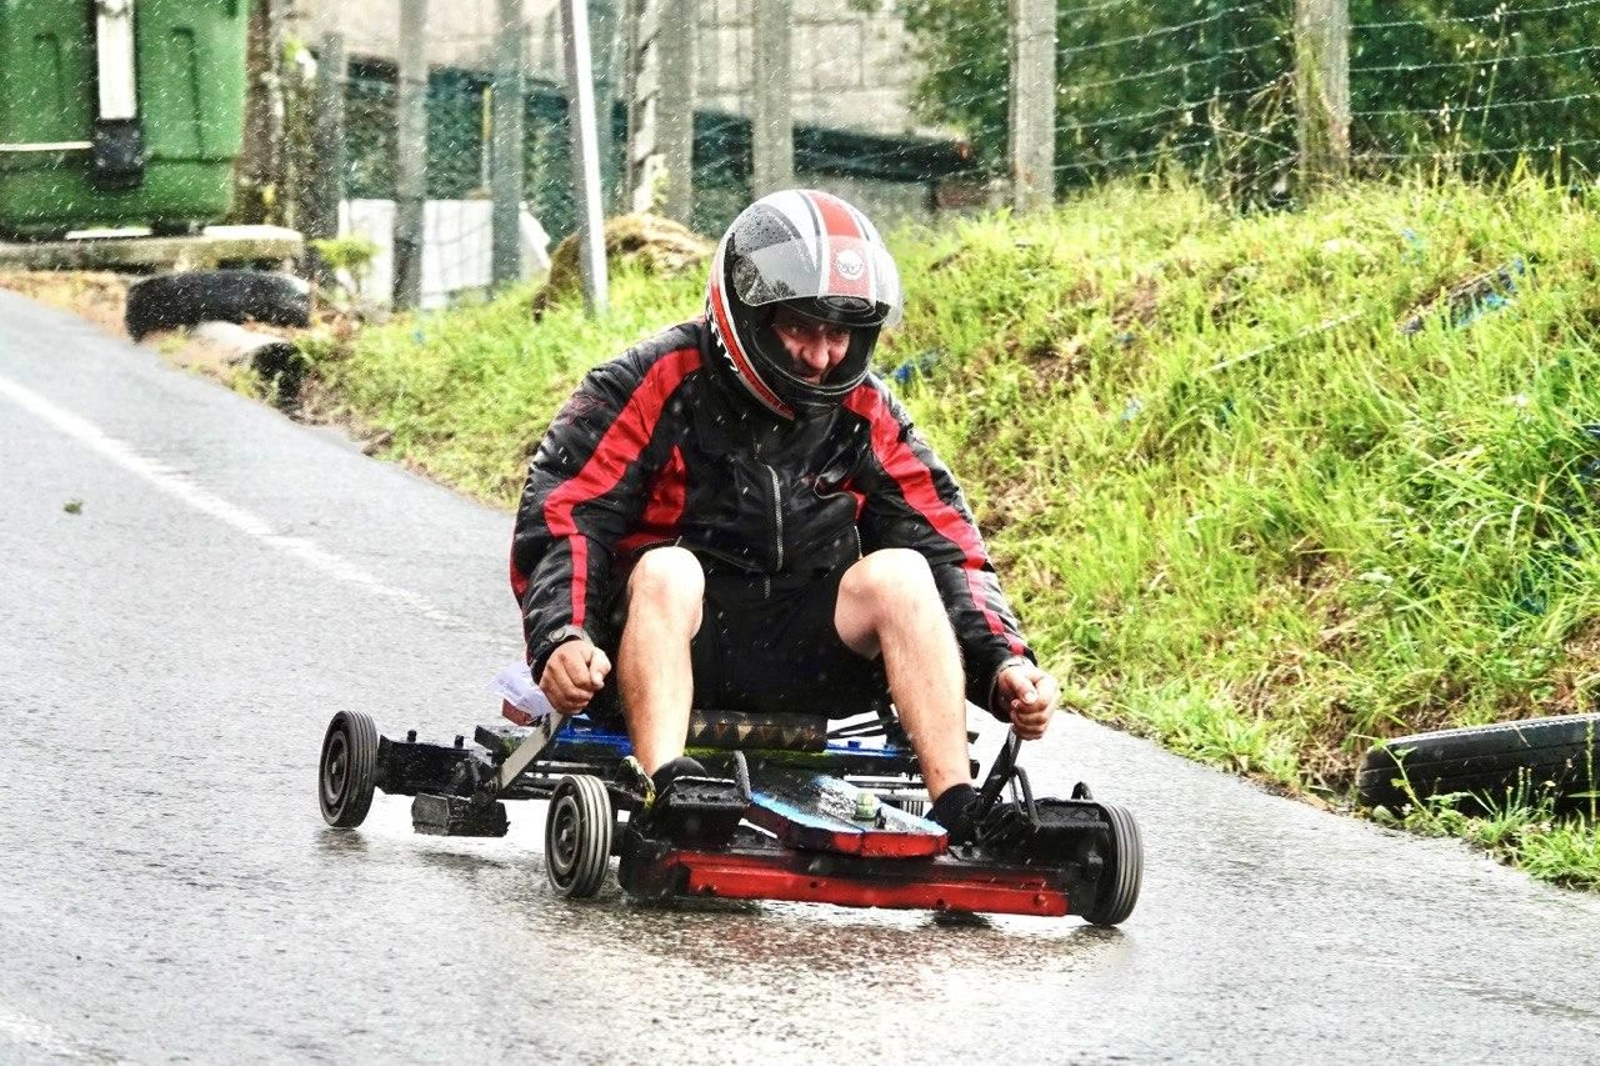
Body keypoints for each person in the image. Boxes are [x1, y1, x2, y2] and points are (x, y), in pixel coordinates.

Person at [510, 189, 1061, 841]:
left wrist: (1004, 663)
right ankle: (669, 787)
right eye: (801, 326)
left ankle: (958, 806)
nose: (823, 355)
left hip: (807, 659)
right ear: (749, 313)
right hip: (665, 643)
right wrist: (563, 636)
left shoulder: (867, 411)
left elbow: (947, 545)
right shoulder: (650, 381)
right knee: (667, 568)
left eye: (839, 332)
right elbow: (568, 515)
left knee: (904, 573)